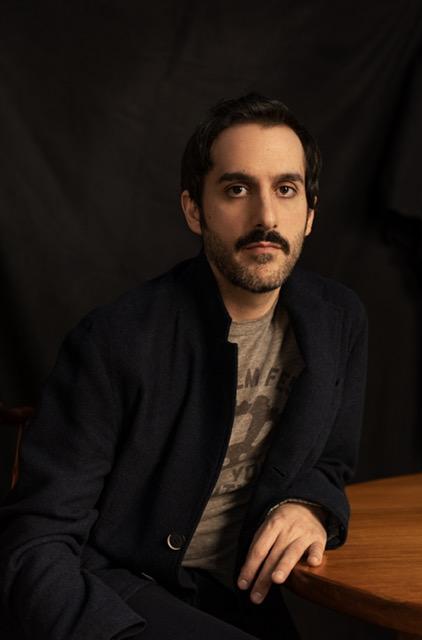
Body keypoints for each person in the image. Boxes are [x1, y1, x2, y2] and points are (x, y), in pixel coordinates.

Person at [0, 94, 368, 640]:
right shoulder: (114, 340)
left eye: (286, 189)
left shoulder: (339, 320)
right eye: (237, 189)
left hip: (235, 592)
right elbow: (35, 538)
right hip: (113, 589)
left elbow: (331, 461)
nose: (266, 217)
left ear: (310, 215)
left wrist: (308, 505)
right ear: (194, 209)